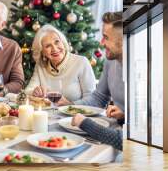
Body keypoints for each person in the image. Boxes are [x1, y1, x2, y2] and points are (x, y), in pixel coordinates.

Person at [71, 12, 123, 151]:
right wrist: (71, 107)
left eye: (105, 37)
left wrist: (85, 123)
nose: (101, 43)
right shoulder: (110, 62)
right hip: (111, 129)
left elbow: (121, 140)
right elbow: (99, 97)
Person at [25, 25, 96, 105]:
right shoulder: (40, 66)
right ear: (42, 52)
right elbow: (27, 91)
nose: (55, 49)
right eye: (48, 46)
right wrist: (34, 92)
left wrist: (71, 105)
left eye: (57, 42)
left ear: (63, 42)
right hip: (49, 115)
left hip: (75, 115)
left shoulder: (81, 62)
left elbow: (92, 99)